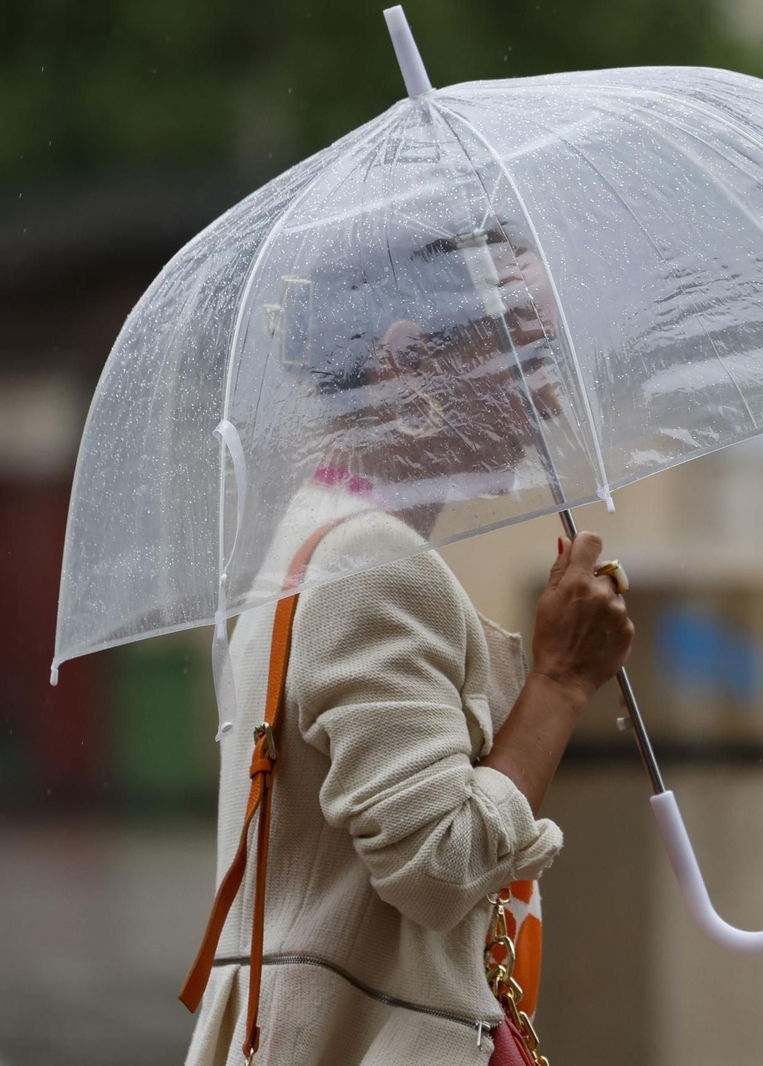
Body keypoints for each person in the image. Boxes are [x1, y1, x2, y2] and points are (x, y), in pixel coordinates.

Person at [184, 233, 633, 1065]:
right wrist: (562, 680)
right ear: (410, 363)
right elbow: (440, 864)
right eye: (528, 355)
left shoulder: (320, 536)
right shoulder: (369, 562)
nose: (550, 400)